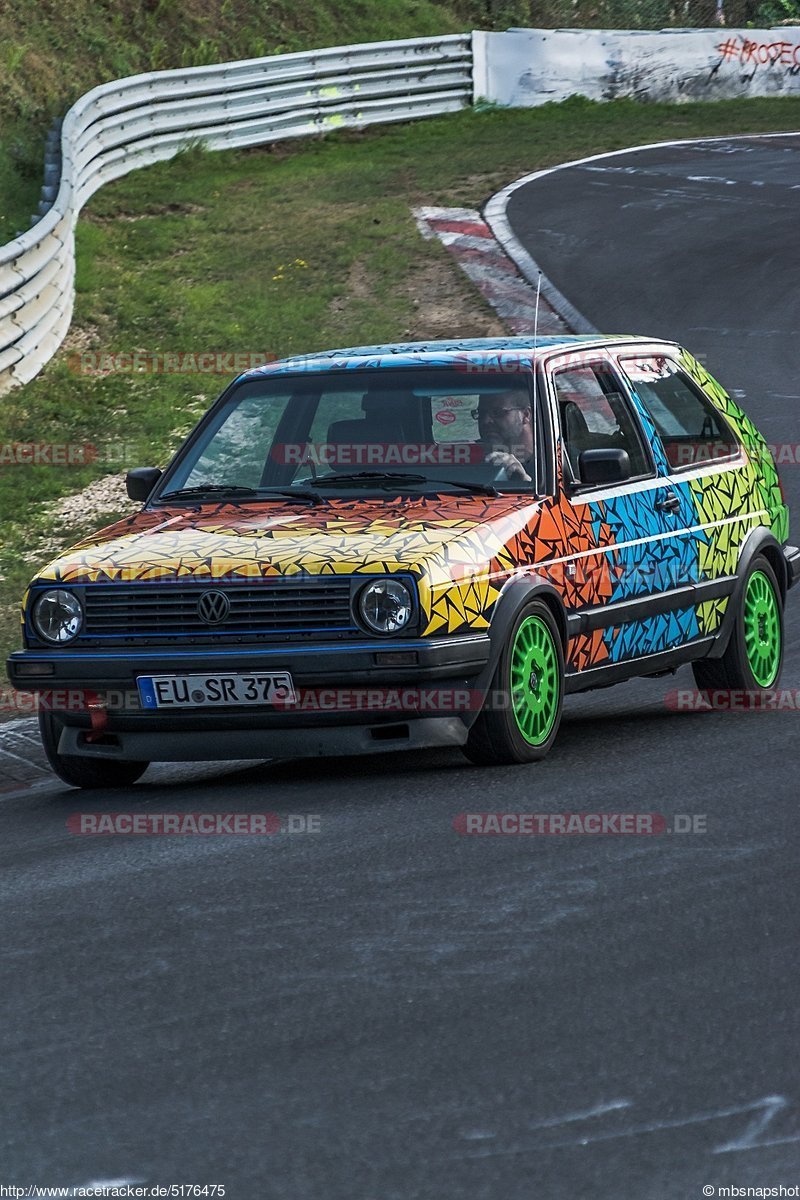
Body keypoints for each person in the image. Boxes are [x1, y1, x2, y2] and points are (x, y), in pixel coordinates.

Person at [475, 391, 536, 483]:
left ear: (525, 415)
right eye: (481, 414)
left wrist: (524, 481)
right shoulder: (471, 456)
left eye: (497, 412)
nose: (486, 421)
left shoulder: (551, 459)